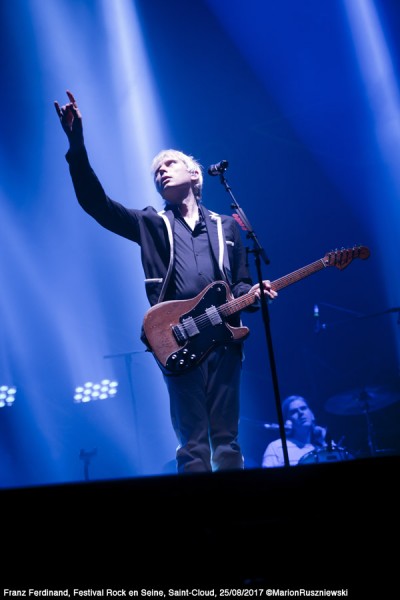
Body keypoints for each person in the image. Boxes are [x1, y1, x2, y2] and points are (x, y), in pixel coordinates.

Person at [54, 90, 278, 474]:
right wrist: (76, 142)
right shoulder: (152, 223)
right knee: (192, 444)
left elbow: (238, 285)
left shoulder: (227, 227)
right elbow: (95, 203)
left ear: (195, 174)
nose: (161, 171)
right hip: (180, 338)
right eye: (156, 170)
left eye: (169, 163)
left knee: (227, 440)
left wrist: (254, 294)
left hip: (224, 340)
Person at [262, 395, 328, 468]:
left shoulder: (322, 445)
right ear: (288, 421)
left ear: (312, 415)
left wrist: (323, 442)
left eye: (303, 408)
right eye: (294, 412)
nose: (300, 413)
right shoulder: (276, 447)